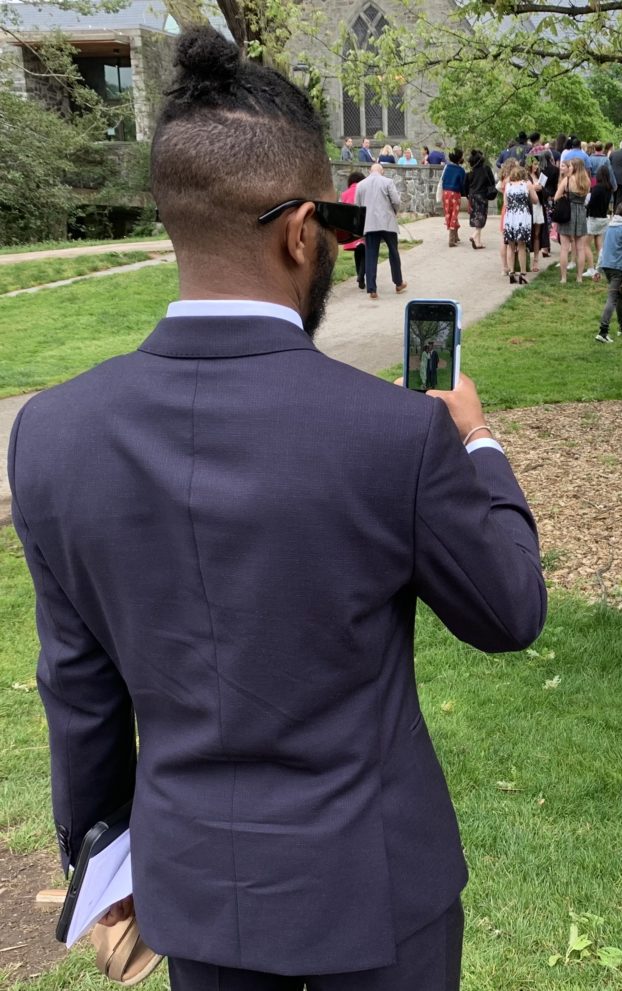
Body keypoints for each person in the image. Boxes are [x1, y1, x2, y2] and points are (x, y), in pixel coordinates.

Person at [9, 26, 547, 991]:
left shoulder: (50, 436)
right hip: (378, 888)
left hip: (197, 892)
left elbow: (80, 693)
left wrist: (102, 862)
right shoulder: (394, 435)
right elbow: (510, 610)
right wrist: (476, 440)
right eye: (339, 225)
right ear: (302, 229)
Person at [355, 163, 408, 298]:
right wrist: (394, 212)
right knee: (393, 252)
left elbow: (357, 207)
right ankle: (398, 282)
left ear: (369, 171)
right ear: (382, 171)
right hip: (387, 222)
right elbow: (396, 201)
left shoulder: (361, 185)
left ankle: (372, 289)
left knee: (371, 254)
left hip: (370, 224)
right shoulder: (388, 182)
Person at [593, 201, 622, 343]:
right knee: (613, 298)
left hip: (607, 267)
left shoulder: (609, 227)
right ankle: (603, 331)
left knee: (620, 296)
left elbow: (602, 250)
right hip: (619, 269)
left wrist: (598, 268)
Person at [556, 157, 591, 284]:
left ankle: (564, 278)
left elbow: (556, 197)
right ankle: (579, 277)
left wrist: (565, 195)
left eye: (570, 166)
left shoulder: (568, 180)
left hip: (568, 212)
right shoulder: (586, 181)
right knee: (580, 247)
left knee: (565, 248)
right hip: (581, 212)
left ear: (574, 167)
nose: (569, 167)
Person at [501, 162, 537, 285]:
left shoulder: (508, 185)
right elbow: (535, 200)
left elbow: (505, 203)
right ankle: (522, 273)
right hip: (522, 217)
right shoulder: (527, 184)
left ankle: (511, 272)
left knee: (511, 246)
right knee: (521, 246)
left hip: (510, 217)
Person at [583, 164, 613, 279]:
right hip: (603, 218)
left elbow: (591, 204)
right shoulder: (609, 188)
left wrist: (586, 204)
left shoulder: (597, 189)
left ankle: (591, 268)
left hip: (594, 218)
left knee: (585, 244)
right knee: (599, 244)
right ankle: (602, 266)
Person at [339, 170, 366, 290]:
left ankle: (359, 275)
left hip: (351, 226)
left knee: (357, 252)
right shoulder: (364, 191)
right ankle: (361, 275)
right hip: (364, 224)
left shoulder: (344, 194)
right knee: (366, 251)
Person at [464, 149, 495, 250]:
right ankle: (474, 236)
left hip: (472, 197)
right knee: (481, 218)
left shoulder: (471, 172)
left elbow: (465, 186)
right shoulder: (486, 169)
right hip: (482, 196)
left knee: (476, 218)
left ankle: (478, 242)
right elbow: (492, 182)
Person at [440, 147, 467, 247]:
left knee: (449, 214)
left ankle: (456, 236)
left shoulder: (447, 167)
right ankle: (451, 239)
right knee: (454, 214)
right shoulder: (461, 170)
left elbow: (443, 179)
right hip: (455, 193)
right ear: (460, 158)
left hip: (445, 193)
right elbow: (463, 184)